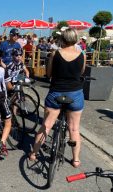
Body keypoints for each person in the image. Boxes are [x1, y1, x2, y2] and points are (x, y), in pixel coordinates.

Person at [29, 28, 86, 168]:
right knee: (74, 129)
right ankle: (76, 159)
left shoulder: (55, 53)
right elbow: (81, 72)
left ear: (63, 39)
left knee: (47, 125)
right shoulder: (82, 54)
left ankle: (33, 154)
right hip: (75, 93)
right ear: (76, 39)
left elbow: (48, 74)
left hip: (56, 93)